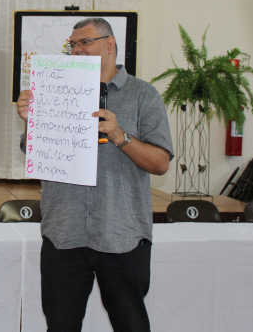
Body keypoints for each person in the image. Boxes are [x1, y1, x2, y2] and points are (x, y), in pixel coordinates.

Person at [16, 18, 174, 332]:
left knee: (130, 325)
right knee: (60, 326)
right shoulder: (53, 88)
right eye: (72, 45)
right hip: (64, 233)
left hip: (122, 235)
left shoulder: (143, 95)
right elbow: (34, 151)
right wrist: (31, 121)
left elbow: (160, 163)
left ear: (110, 44)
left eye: (84, 42)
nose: (76, 50)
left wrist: (120, 136)